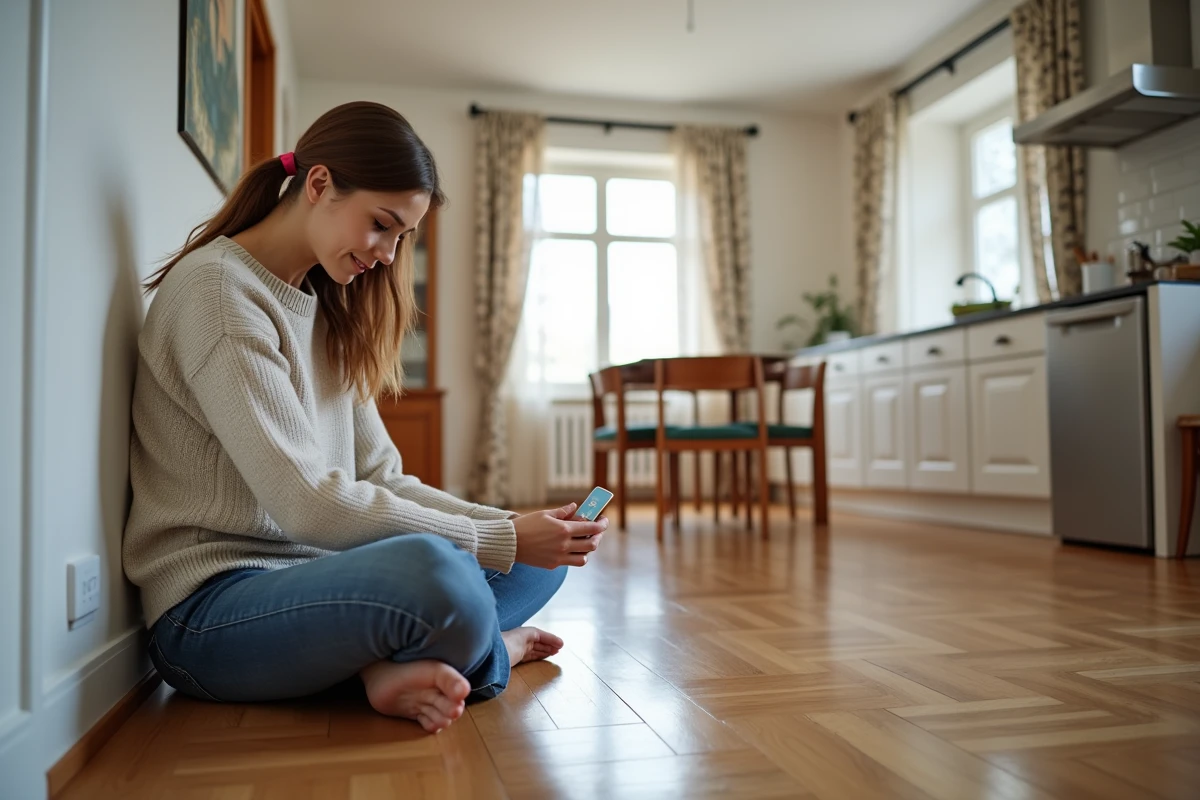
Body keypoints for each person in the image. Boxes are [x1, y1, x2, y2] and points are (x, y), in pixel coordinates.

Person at [123, 101, 607, 734]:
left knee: (534, 567)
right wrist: (502, 539)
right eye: (382, 225)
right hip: (211, 612)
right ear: (319, 184)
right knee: (444, 577)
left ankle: (384, 660)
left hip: (319, 578)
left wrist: (513, 526)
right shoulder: (218, 294)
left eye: (402, 237)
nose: (387, 254)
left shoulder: (323, 307)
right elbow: (306, 505)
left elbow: (384, 477)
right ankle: (493, 655)